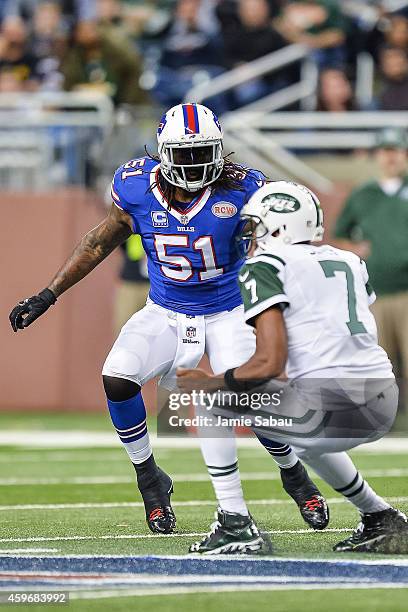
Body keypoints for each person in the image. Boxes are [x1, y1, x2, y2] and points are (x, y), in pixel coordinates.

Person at [9, 103, 328, 547]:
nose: (197, 164)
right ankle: (150, 479)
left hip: (230, 310)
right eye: (187, 154)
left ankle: (293, 473)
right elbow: (99, 241)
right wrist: (49, 292)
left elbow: (286, 237)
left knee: (250, 397)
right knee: (117, 377)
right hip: (166, 310)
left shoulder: (246, 188)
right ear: (164, 154)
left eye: (204, 153)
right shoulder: (135, 185)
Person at [178, 181, 408, 554]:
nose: (251, 236)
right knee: (306, 437)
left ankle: (235, 523)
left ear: (280, 227)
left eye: (257, 226)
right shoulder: (348, 259)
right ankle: (380, 516)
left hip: (333, 407)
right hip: (383, 398)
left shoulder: (266, 265)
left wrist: (216, 381)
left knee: (210, 400)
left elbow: (270, 362)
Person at [334, 127, 408, 391]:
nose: (391, 157)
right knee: (380, 364)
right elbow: (340, 235)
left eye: (397, 151)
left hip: (407, 291)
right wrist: (354, 249)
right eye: (386, 151)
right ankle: (388, 425)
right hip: (375, 293)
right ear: (378, 155)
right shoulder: (363, 194)